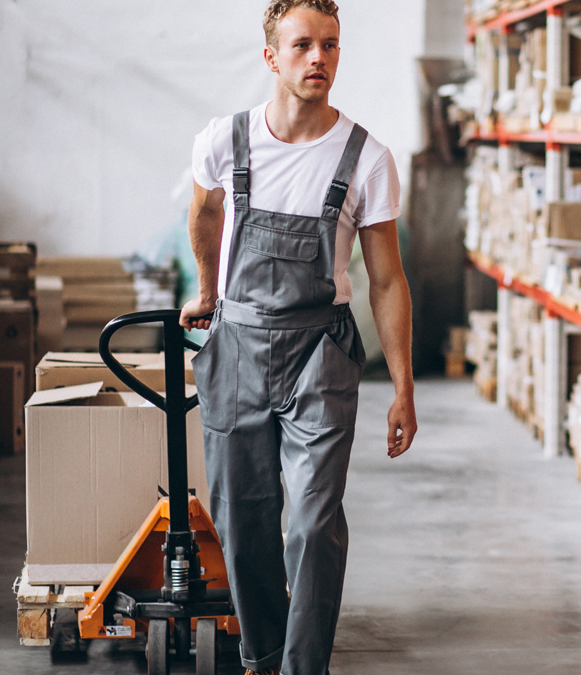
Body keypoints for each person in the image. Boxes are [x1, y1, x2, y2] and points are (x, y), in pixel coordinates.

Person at [179, 1, 417, 673]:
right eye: (304, 45)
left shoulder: (366, 157)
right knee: (243, 518)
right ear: (271, 57)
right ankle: (266, 656)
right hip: (238, 348)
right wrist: (206, 290)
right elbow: (202, 213)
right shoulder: (225, 141)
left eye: (331, 45)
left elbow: (389, 280)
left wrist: (402, 388)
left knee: (313, 521)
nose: (320, 58)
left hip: (322, 351)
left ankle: (304, 667)